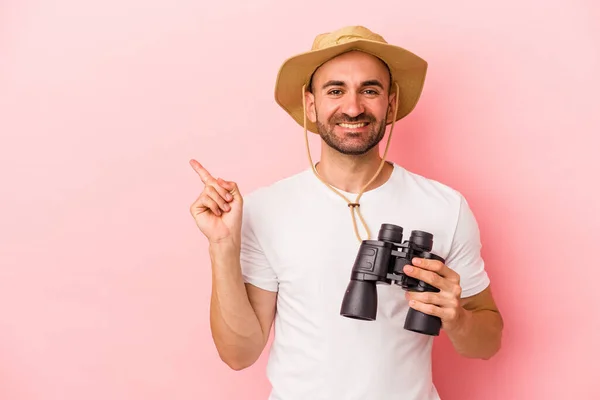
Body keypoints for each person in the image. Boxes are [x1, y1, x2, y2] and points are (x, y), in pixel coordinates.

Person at [189, 25, 503, 400]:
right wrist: (222, 246)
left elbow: (486, 345)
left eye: (370, 90)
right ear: (310, 104)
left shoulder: (445, 206)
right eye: (335, 90)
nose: (353, 107)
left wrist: (458, 318)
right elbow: (239, 355)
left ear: (391, 103)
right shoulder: (266, 209)